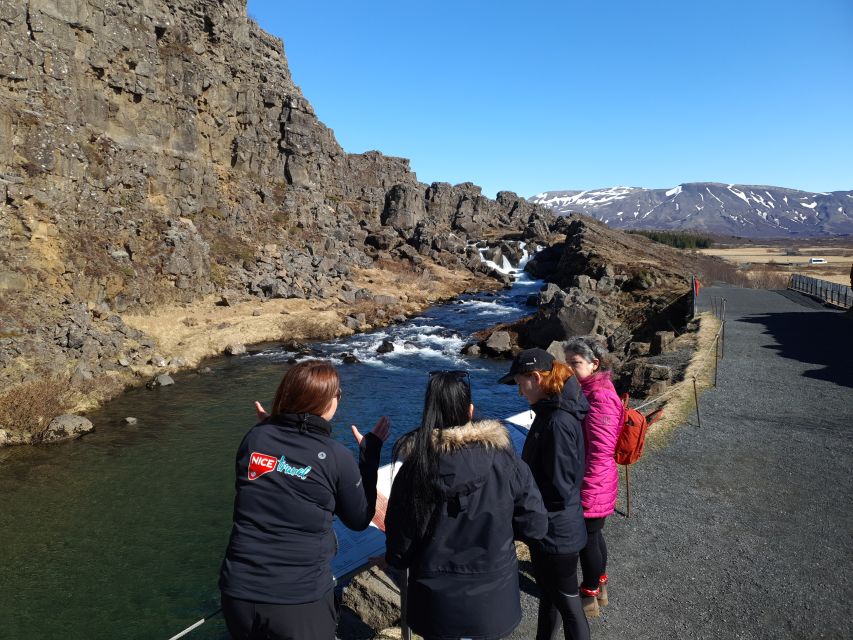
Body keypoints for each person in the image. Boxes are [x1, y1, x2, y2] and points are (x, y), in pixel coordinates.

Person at [219, 359, 390, 640]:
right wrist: (369, 457)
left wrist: (273, 428)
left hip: (237, 592)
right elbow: (359, 519)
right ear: (327, 401)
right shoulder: (335, 456)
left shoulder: (255, 438)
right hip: (298, 599)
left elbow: (277, 466)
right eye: (338, 393)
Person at [384, 370, 548, 640]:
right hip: (493, 597)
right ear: (470, 411)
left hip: (435, 603)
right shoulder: (504, 460)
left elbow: (400, 544)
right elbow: (535, 525)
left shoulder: (415, 469)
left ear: (429, 413)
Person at [499, 348, 591, 640]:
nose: (518, 392)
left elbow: (560, 487)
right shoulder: (553, 412)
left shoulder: (557, 422)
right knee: (551, 596)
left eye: (519, 383)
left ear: (536, 378)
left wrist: (522, 495)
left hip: (556, 529)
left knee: (568, 603)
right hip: (556, 526)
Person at [564, 337, 623, 617]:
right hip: (594, 478)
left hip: (593, 479)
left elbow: (600, 449)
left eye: (575, 363)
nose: (570, 369)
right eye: (568, 363)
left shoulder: (599, 396)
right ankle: (600, 585)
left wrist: (581, 482)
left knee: (588, 538)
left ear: (594, 363)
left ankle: (588, 595)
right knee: (594, 535)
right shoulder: (590, 389)